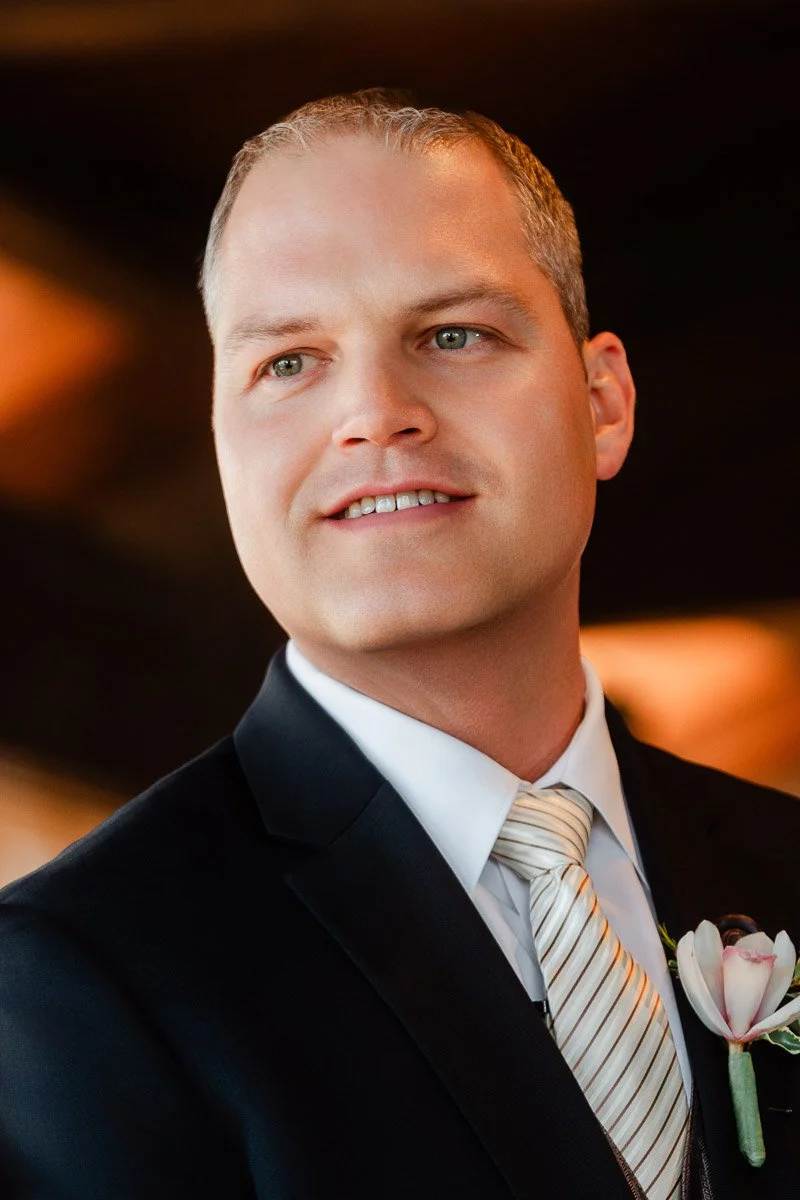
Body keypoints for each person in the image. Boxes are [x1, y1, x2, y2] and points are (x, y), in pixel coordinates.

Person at [1, 88, 798, 1200]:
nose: (374, 412)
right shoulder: (72, 979)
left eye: (453, 334)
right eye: (287, 361)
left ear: (603, 401)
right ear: (225, 440)